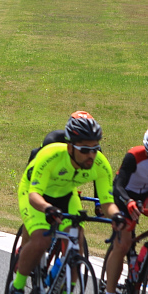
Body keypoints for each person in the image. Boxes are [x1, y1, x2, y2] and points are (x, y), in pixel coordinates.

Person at [8, 111, 125, 294]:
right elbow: (34, 195)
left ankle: (64, 288)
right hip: (35, 193)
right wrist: (48, 208)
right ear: (70, 148)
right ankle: (17, 286)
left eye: (95, 149)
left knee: (76, 244)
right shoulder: (51, 155)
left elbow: (107, 203)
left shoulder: (100, 164)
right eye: (84, 150)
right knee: (41, 238)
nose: (91, 155)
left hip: (66, 194)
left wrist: (116, 215)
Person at [102, 130, 148, 294]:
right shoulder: (134, 156)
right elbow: (118, 186)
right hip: (123, 196)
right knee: (122, 244)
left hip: (144, 195)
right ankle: (110, 290)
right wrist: (128, 201)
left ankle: (138, 264)